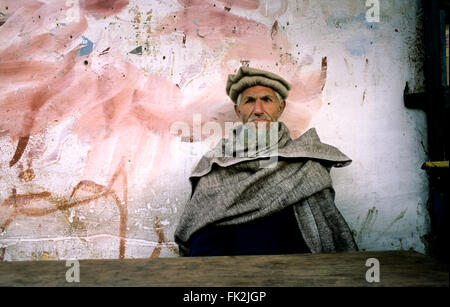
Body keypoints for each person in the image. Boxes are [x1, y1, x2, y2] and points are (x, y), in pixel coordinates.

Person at [174, 66, 358, 257]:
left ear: (281, 107)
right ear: (238, 111)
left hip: (297, 273)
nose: (258, 109)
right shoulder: (214, 165)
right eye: (250, 101)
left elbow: (325, 231)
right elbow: (198, 229)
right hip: (229, 274)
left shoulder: (307, 164)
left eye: (267, 100)